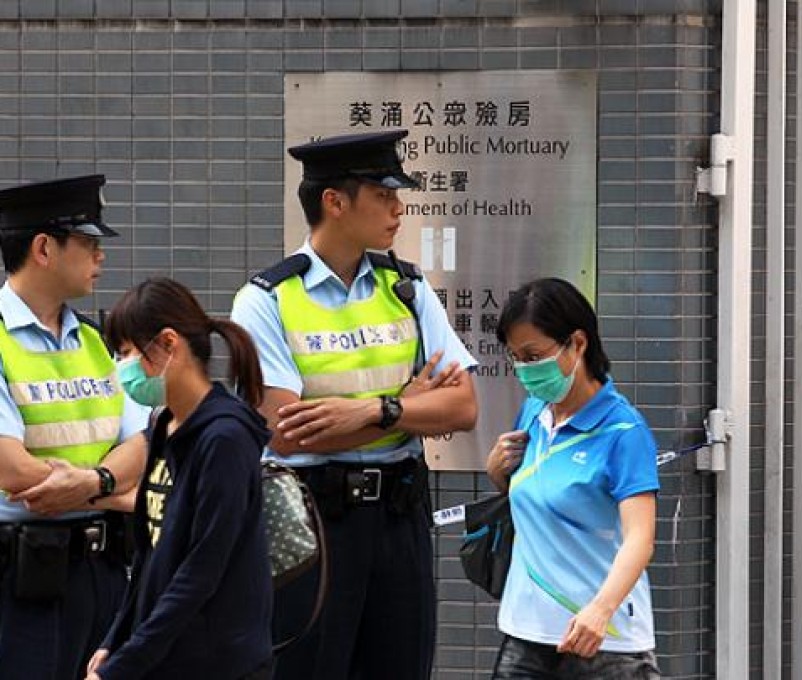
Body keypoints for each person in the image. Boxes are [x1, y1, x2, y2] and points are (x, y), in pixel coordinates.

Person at [231, 129, 478, 680]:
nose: (399, 207)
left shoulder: (408, 288)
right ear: (335, 202)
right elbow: (285, 433)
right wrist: (409, 407)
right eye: (383, 194)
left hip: (400, 519)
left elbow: (462, 407)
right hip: (315, 524)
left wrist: (375, 412)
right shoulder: (266, 300)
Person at [85, 277, 273, 680]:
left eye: (128, 352)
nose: (124, 368)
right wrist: (113, 640)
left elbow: (200, 571)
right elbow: (151, 557)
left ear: (169, 344)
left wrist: (125, 663)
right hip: (167, 656)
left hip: (215, 662)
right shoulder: (165, 426)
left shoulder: (224, 439)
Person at [0, 175, 148, 679]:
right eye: (88, 243)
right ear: (44, 248)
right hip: (21, 581)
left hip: (104, 571)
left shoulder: (92, 339)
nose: (99, 256)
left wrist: (94, 483)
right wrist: (116, 487)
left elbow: (146, 444)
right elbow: (16, 473)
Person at [485, 278, 661, 679]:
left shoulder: (624, 431)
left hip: (605, 640)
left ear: (577, 343)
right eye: (517, 358)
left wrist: (600, 610)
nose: (526, 370)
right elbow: (538, 501)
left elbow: (640, 538)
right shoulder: (533, 414)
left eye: (534, 355)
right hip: (526, 631)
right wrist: (498, 475)